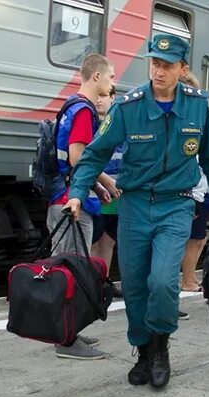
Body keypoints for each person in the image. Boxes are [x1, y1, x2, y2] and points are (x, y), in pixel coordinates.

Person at [63, 34, 209, 389]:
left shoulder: (197, 107)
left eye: (167, 65)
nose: (158, 70)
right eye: (154, 63)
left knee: (162, 282)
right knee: (137, 285)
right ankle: (142, 351)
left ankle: (160, 349)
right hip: (136, 205)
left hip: (176, 204)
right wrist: (78, 193)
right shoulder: (129, 107)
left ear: (182, 69)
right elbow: (93, 154)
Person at [46, 53, 116, 361]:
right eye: (111, 77)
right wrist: (107, 179)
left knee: (69, 267)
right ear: (97, 77)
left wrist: (96, 186)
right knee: (71, 271)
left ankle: (67, 328)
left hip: (65, 196)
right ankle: (67, 340)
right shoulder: (85, 111)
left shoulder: (70, 104)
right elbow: (78, 158)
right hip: (70, 204)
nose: (112, 82)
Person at [177, 71, 206, 322]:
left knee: (195, 240)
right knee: (188, 241)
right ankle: (186, 281)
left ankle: (189, 279)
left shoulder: (194, 123)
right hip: (186, 196)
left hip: (193, 194)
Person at [90, 86, 123, 299]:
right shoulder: (91, 123)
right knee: (94, 238)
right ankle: (91, 282)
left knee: (109, 240)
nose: (99, 101)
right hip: (98, 190)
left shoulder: (119, 125)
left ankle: (103, 281)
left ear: (113, 98)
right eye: (97, 96)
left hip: (118, 191)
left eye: (104, 97)